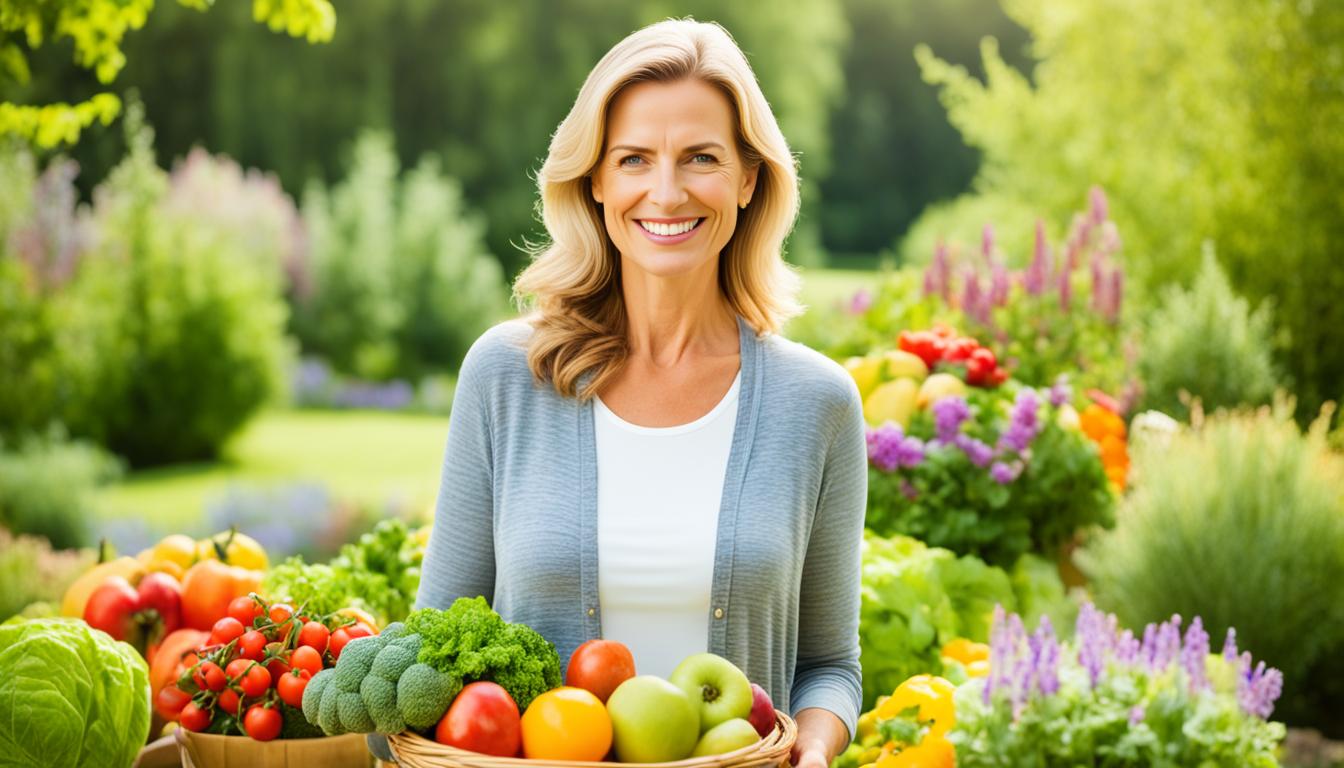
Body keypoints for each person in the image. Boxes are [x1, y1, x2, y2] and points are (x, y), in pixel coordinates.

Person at [383, 18, 866, 767]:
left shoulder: (817, 403)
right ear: (597, 180)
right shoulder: (507, 378)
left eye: (700, 157)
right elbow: (431, 643)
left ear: (747, 178)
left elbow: (831, 666)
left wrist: (815, 749)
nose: (665, 192)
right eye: (634, 158)